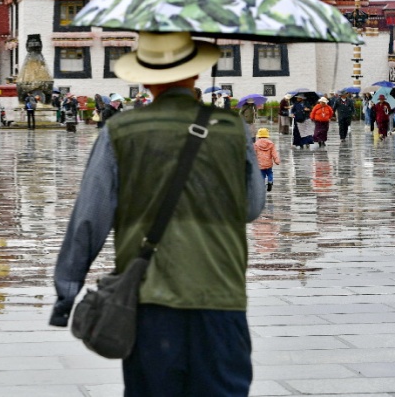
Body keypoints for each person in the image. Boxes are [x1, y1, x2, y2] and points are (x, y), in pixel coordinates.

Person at [50, 32, 264, 397]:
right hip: (220, 295)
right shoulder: (232, 129)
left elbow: (90, 217)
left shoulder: (120, 131)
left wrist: (67, 293)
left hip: (151, 301)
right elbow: (251, 207)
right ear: (196, 74)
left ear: (145, 78)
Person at [254, 127, 280, 192]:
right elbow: (274, 153)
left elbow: (253, 153)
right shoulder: (271, 143)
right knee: (270, 173)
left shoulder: (256, 144)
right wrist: (276, 160)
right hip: (268, 163)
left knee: (262, 175)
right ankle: (270, 182)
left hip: (260, 164)